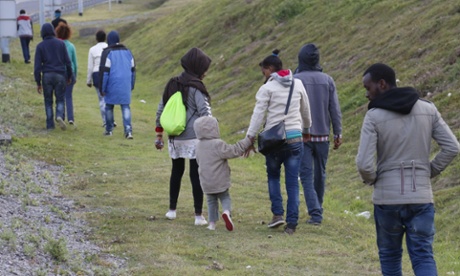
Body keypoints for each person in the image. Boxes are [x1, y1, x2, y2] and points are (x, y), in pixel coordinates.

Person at [356, 63, 460, 275]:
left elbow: (364, 164)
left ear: (382, 84)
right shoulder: (428, 109)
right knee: (422, 255)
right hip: (421, 197)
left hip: (387, 200)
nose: (367, 95)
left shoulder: (374, 116)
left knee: (390, 255)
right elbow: (452, 147)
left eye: (368, 88)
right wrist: (428, 171)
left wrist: (374, 178)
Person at [244, 49, 312, 235]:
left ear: (269, 69)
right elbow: (305, 110)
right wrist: (306, 130)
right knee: (292, 182)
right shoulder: (298, 84)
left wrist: (250, 137)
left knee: (273, 176)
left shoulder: (267, 88)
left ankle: (277, 214)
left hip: (274, 141)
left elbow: (258, 115)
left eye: (264, 72)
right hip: (295, 138)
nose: (263, 76)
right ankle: (291, 224)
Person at [155, 47, 212, 226]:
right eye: (204, 68)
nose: (205, 72)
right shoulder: (196, 87)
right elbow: (205, 113)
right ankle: (198, 216)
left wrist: (159, 135)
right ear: (197, 67)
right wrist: (210, 135)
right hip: (194, 138)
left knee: (176, 172)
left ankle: (172, 210)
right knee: (196, 175)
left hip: (175, 138)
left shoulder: (172, 83)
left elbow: (160, 109)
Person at [294, 43, 343, 225]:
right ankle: (318, 207)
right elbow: (334, 109)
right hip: (323, 136)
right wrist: (338, 132)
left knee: (306, 174)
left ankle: (315, 213)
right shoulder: (327, 80)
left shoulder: (295, 79)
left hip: (302, 135)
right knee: (320, 174)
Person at [194, 116, 252, 231]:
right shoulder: (218, 144)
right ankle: (226, 212)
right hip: (220, 180)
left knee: (211, 201)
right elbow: (233, 151)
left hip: (206, 181)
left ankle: (211, 224)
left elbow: (198, 161)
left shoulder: (198, 145)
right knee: (224, 197)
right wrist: (247, 142)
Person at [34, 23, 72, 130]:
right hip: (60, 75)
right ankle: (59, 115)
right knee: (60, 99)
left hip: (47, 76)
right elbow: (68, 62)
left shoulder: (40, 46)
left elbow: (37, 67)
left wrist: (38, 82)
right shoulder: (61, 44)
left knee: (48, 101)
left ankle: (50, 125)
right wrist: (69, 76)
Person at [99, 30, 136, 138]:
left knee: (109, 107)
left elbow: (104, 72)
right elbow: (133, 70)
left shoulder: (107, 52)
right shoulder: (128, 52)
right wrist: (131, 85)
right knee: (125, 107)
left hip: (112, 84)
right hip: (125, 84)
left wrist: (102, 88)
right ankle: (128, 131)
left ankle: (109, 130)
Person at [55, 22, 77, 126]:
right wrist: (74, 75)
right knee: (69, 96)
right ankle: (71, 118)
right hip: (70, 72)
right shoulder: (71, 46)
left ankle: (61, 115)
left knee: (60, 96)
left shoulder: (57, 45)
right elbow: (74, 62)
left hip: (59, 72)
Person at [87, 30, 108, 127]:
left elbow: (90, 66)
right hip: (108, 73)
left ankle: (105, 121)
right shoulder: (109, 48)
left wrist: (88, 80)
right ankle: (110, 118)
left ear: (96, 38)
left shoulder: (92, 49)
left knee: (101, 98)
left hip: (96, 74)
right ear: (105, 38)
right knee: (108, 98)